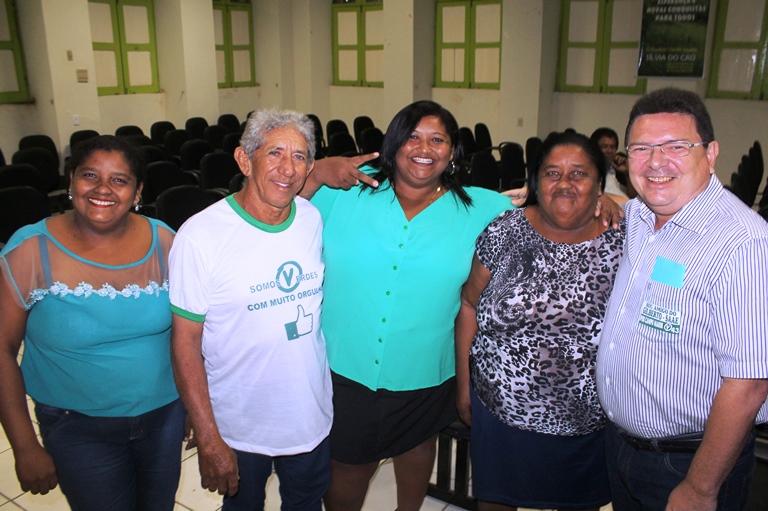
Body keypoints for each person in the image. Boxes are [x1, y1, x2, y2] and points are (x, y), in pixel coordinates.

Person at [296, 100, 512, 511]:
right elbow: (279, 205)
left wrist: (606, 203)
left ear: (452, 152)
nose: (424, 148)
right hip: (347, 364)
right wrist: (319, 169)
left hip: (426, 368)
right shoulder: (346, 194)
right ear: (393, 144)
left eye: (437, 140)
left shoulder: (483, 209)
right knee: (348, 464)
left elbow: (550, 212)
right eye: (412, 137)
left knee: (417, 448)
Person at [596, 87, 768, 511]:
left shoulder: (742, 243)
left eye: (676, 146)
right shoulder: (640, 216)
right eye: (641, 148)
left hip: (689, 462)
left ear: (710, 154)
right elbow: (613, 204)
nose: (656, 162)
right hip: (621, 447)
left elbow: (749, 384)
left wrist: (700, 487)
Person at [0, 135, 183, 510]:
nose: (103, 189)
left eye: (119, 180)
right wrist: (24, 445)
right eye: (90, 175)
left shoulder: (165, 240)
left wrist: (197, 407)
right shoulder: (31, 249)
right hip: (77, 427)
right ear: (71, 181)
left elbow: (190, 333)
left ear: (137, 192)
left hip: (164, 417)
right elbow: (1, 349)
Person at [169, 109, 332, 510]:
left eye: (299, 156)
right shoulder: (200, 236)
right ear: (245, 160)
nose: (288, 168)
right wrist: (207, 435)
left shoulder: (310, 218)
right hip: (239, 425)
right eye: (275, 153)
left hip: (308, 415)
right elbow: (185, 342)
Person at [455, 132, 624, 511]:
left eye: (579, 173)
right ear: (535, 182)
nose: (564, 183)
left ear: (600, 184)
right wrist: (464, 386)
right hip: (500, 411)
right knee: (496, 503)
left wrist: (619, 203)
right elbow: (468, 305)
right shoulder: (505, 231)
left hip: (587, 421)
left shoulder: (624, 240)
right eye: (552, 173)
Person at [590, 127, 634, 201]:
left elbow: (633, 196)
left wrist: (627, 172)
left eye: (612, 147)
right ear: (594, 148)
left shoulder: (618, 170)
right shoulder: (589, 171)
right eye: (604, 146)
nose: (609, 151)